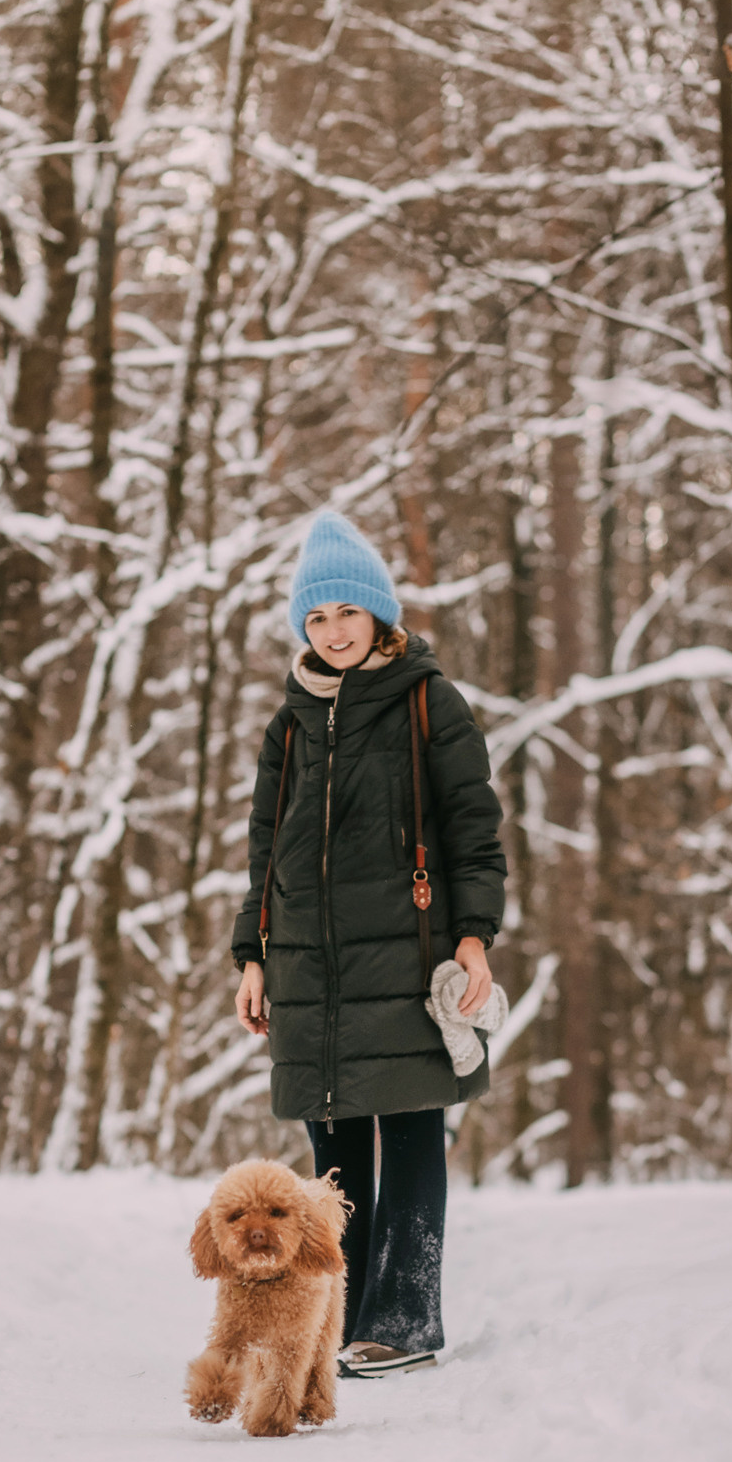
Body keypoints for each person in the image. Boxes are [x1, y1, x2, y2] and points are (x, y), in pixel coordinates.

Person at [231, 511, 507, 1376]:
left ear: (379, 615)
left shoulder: (430, 702)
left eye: (347, 612)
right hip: (309, 968)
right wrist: (252, 957)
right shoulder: (290, 725)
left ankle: (408, 1321)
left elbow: (474, 828)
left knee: (414, 1131)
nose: (334, 631)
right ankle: (334, 1318)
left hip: (407, 953)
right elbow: (263, 847)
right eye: (316, 618)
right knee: (335, 1158)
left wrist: (474, 938)